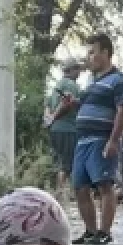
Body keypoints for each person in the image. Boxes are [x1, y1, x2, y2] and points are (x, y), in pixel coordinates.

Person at [69, 32, 123, 245]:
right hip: (83, 141)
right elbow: (87, 106)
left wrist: (113, 141)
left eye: (92, 52)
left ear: (105, 53)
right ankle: (90, 230)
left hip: (101, 140)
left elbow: (122, 112)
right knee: (79, 186)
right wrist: (73, 104)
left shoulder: (119, 80)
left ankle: (104, 232)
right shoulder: (92, 82)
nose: (89, 57)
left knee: (104, 185)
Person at [44, 59, 82, 198]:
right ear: (71, 70)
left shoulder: (56, 85)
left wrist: (49, 119)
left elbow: (47, 105)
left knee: (59, 161)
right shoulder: (70, 85)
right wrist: (54, 117)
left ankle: (62, 192)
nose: (79, 72)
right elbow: (66, 104)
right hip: (68, 128)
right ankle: (61, 194)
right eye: (77, 69)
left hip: (55, 129)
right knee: (67, 163)